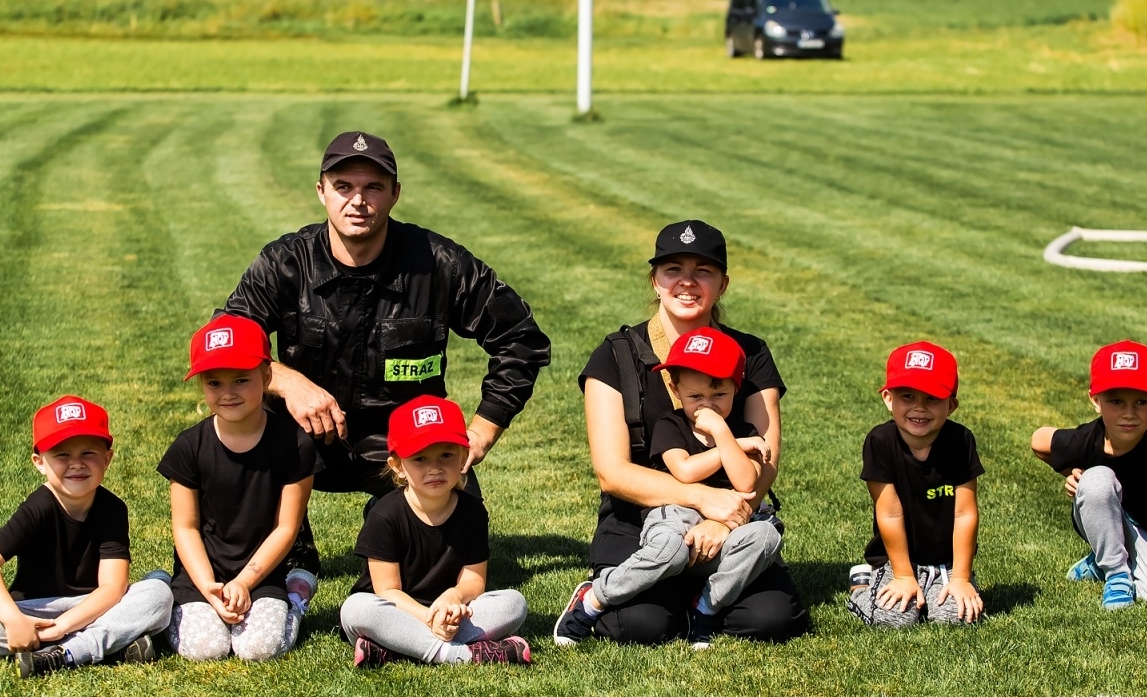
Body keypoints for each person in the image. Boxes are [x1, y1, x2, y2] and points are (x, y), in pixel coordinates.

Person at [221, 130, 551, 604]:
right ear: (321, 191)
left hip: (408, 441)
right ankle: (292, 554)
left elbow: (521, 338)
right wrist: (287, 381)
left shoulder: (439, 263)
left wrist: (483, 429)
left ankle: (382, 576)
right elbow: (224, 344)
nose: (358, 201)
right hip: (303, 434)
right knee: (231, 440)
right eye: (343, 186)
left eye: (373, 187)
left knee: (444, 575)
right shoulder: (286, 262)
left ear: (395, 193)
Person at [571, 220, 808, 645]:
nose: (687, 281)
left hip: (733, 514)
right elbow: (612, 473)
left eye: (703, 271)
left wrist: (726, 522)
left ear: (723, 284)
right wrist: (701, 499)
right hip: (641, 518)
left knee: (772, 621)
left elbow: (766, 460)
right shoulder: (615, 356)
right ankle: (610, 592)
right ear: (655, 280)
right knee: (643, 626)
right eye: (673, 269)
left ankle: (703, 599)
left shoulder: (751, 353)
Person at [556, 327, 782, 648]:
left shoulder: (741, 431)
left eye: (719, 395)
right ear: (676, 391)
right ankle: (595, 598)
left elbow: (746, 482)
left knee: (766, 537)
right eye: (696, 397)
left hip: (725, 529)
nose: (708, 406)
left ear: (736, 387)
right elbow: (685, 471)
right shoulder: (671, 424)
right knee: (671, 551)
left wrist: (723, 434)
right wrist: (732, 445)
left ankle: (706, 608)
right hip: (675, 516)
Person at [0, 396, 173, 678]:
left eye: (88, 453)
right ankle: (111, 646)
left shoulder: (112, 509)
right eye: (62, 455)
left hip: (93, 606)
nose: (76, 464)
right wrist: (13, 620)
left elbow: (112, 588)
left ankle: (63, 652)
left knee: (158, 593)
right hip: (40, 609)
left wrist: (62, 627)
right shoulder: (37, 508)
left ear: (107, 459)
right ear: (39, 462)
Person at [158, 315, 322, 661]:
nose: (228, 393)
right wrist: (209, 587)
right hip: (201, 574)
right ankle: (160, 586)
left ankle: (294, 599)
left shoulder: (295, 444)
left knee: (258, 649)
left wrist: (246, 582)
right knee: (207, 649)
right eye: (214, 383)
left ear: (266, 376)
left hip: (263, 573)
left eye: (241, 380)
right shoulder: (188, 447)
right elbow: (185, 528)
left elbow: (286, 527)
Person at [339, 395, 531, 667]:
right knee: (356, 609)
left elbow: (474, 581)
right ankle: (461, 655)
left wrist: (453, 597)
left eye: (446, 455)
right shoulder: (384, 515)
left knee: (513, 603)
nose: (434, 468)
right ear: (398, 466)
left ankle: (394, 649)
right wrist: (429, 618)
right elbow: (387, 591)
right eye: (420, 458)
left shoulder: (473, 512)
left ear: (463, 456)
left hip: (452, 613)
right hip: (397, 612)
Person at [1029, 340, 1147, 610]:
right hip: (1100, 517)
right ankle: (1115, 572)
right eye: (1116, 401)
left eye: (1141, 401)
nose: (1129, 413)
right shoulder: (1089, 438)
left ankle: (1099, 562)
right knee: (1097, 480)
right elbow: (1039, 440)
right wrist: (1075, 475)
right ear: (1096, 400)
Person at [847, 342, 984, 629]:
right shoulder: (880, 441)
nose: (919, 407)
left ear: (951, 405)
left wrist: (961, 578)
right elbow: (890, 513)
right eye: (907, 396)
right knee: (893, 619)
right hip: (896, 559)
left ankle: (938, 586)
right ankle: (862, 585)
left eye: (932, 398)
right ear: (888, 398)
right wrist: (903, 576)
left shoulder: (961, 441)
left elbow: (965, 514)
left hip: (947, 562)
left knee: (955, 618)